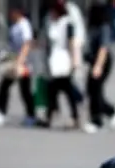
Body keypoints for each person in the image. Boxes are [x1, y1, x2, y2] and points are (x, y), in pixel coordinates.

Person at [0, 3, 36, 128]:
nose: (10, 14)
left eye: (13, 11)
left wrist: (20, 63)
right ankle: (1, 112)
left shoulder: (24, 25)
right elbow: (11, 45)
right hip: (13, 62)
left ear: (18, 12)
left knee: (25, 91)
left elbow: (27, 44)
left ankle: (31, 116)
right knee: (4, 87)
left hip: (24, 64)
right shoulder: (14, 26)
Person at [38, 0, 80, 129]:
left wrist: (74, 61)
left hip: (64, 60)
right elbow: (46, 42)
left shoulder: (67, 23)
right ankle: (51, 115)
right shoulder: (50, 23)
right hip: (53, 61)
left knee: (66, 90)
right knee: (52, 90)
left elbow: (72, 43)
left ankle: (73, 116)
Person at [83, 2, 115, 134]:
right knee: (91, 90)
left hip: (102, 61)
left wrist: (98, 66)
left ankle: (97, 121)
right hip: (94, 60)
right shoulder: (92, 25)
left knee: (96, 90)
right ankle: (111, 111)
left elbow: (103, 48)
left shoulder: (104, 26)